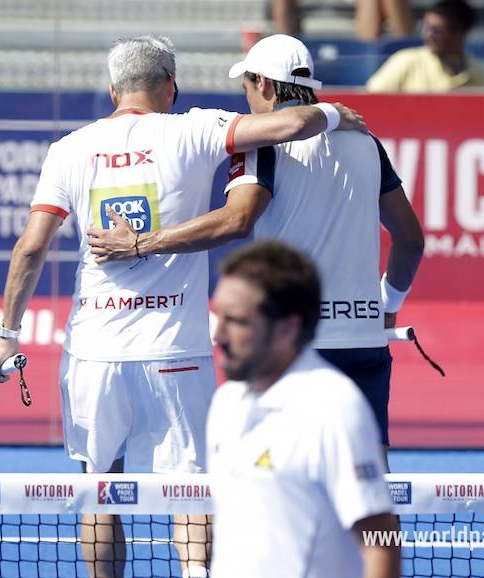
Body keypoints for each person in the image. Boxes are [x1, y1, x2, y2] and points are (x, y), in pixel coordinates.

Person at [0, 35, 365, 578]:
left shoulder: (69, 148)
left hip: (95, 354)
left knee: (100, 491)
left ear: (112, 90)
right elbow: (291, 123)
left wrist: (7, 334)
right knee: (192, 489)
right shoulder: (194, 127)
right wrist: (332, 112)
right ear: (172, 87)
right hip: (176, 352)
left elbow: (31, 248)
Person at [88, 33, 425, 460]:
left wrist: (140, 243)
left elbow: (236, 220)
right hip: (363, 342)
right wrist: (387, 304)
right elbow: (410, 240)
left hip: (291, 346)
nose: (246, 98)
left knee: (284, 486)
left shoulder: (258, 143)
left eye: (246, 87)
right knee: (370, 489)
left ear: (263, 84)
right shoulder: (366, 143)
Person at [207, 239, 400, 578]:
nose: (218, 333)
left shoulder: (334, 408)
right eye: (218, 315)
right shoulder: (225, 402)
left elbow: (380, 537)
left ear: (286, 328)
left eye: (236, 321)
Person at [366, 0, 484, 92]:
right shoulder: (405, 62)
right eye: (426, 27)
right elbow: (369, 100)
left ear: (460, 33)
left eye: (436, 30)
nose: (428, 35)